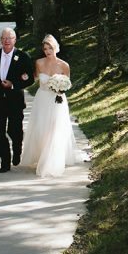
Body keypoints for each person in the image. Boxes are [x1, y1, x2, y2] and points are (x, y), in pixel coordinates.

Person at [21, 34, 83, 178]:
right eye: (45, 48)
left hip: (57, 101)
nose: (48, 51)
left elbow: (68, 83)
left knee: (54, 129)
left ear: (56, 48)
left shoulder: (64, 65)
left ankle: (50, 162)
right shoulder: (39, 63)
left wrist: (60, 87)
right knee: (42, 129)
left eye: (50, 48)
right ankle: (42, 156)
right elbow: (35, 78)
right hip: (42, 99)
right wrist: (25, 77)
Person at [0, 27, 35, 173]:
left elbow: (30, 79)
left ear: (15, 40)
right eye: (4, 38)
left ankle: (17, 149)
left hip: (15, 100)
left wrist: (14, 84)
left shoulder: (23, 56)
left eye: (9, 38)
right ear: (0, 40)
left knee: (15, 130)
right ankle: (5, 160)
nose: (6, 41)